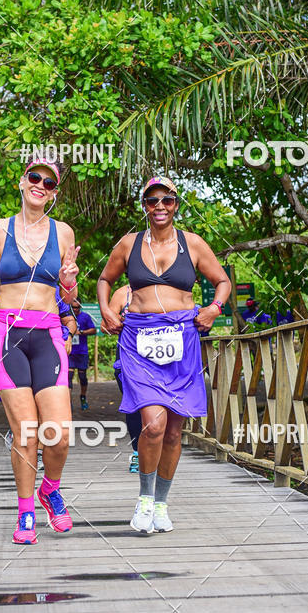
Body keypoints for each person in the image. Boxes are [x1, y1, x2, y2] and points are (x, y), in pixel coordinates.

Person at [98, 175, 231, 534]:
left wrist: (215, 309)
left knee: (174, 431)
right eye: (152, 200)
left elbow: (222, 281)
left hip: (182, 338)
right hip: (139, 338)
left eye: (167, 200)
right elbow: (104, 280)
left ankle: (161, 504)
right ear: (144, 205)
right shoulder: (128, 244)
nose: (160, 206)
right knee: (153, 425)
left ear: (176, 204)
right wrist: (106, 311)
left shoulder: (194, 244)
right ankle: (143, 500)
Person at [0, 158, 80, 545]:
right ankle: (25, 514)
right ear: (22, 182)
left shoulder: (64, 232)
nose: (40, 184)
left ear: (54, 193)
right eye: (34, 177)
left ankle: (49, 489)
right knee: (27, 432)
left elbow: (69, 296)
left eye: (49, 182)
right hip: (6, 335)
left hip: (49, 333)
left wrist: (69, 283)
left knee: (59, 434)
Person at [0, 285, 74, 473]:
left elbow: (70, 319)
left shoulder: (54, 290)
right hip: (9, 347)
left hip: (46, 347)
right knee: (25, 404)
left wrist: (69, 336)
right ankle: (18, 433)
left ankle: (38, 452)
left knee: (44, 403)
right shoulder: (11, 287)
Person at [103, 283, 142, 472]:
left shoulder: (166, 287)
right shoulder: (123, 294)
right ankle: (137, 453)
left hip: (160, 359)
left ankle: (158, 452)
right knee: (134, 405)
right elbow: (105, 326)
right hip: (129, 357)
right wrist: (116, 322)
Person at [64, 301, 96, 411]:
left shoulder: (85, 317)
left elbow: (93, 330)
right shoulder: (65, 317)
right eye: (73, 307)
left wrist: (81, 332)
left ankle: (83, 397)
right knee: (69, 377)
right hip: (70, 352)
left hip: (82, 352)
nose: (76, 309)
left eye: (77, 307)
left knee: (82, 377)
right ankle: (68, 401)